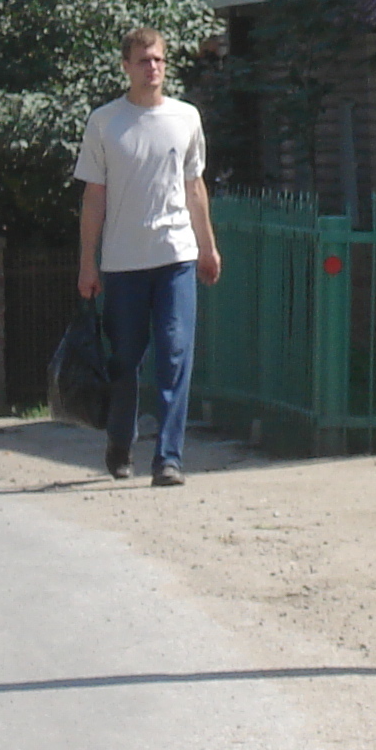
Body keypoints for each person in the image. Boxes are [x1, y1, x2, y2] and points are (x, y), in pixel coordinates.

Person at [76, 27, 220, 486]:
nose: (152, 67)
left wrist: (207, 246)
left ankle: (169, 457)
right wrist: (88, 260)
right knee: (125, 359)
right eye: (143, 60)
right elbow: (94, 196)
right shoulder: (105, 122)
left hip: (175, 255)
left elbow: (194, 186)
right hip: (123, 262)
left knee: (175, 353)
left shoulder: (186, 118)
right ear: (126, 66)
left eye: (158, 59)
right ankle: (120, 441)